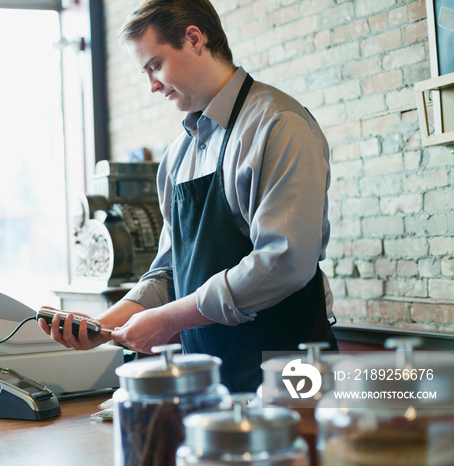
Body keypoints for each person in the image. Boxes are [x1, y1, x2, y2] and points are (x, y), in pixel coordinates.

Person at [39, 0, 338, 393]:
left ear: (194, 39)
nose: (152, 85)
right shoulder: (177, 156)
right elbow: (169, 271)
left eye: (155, 66)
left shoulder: (278, 125)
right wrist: (105, 327)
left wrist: (169, 320)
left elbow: (283, 262)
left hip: (290, 368)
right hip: (211, 376)